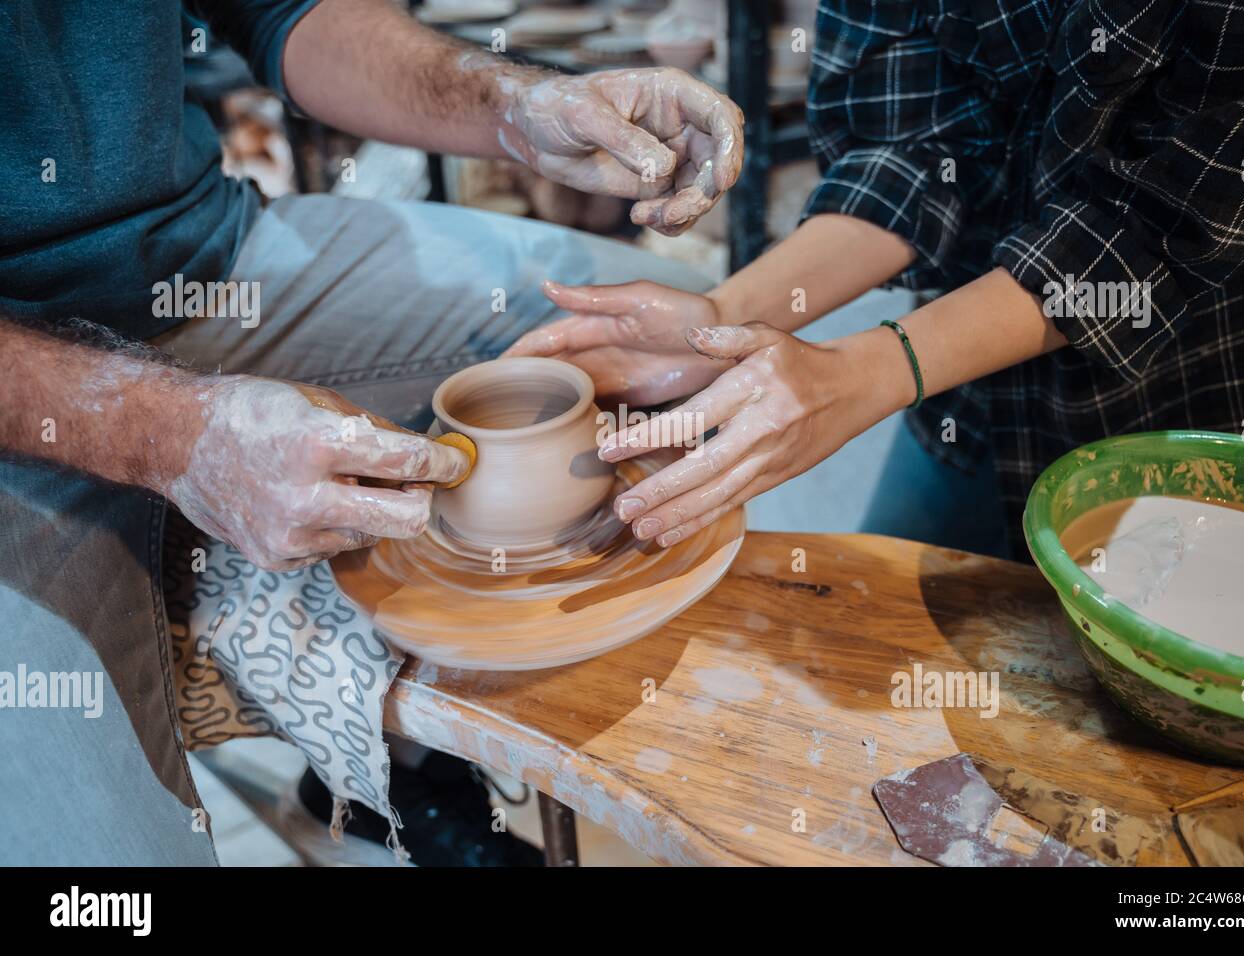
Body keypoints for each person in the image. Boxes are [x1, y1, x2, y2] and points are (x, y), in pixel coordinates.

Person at [0, 0, 742, 865]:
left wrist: (512, 109)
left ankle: (399, 764)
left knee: (688, 347)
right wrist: (170, 434)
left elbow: (287, 14)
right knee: (109, 881)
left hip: (205, 261)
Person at [508, 0, 1244, 562]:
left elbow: (1160, 221)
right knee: (873, 658)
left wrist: (867, 373)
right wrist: (718, 320)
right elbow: (916, 140)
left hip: (1200, 390)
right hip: (975, 391)